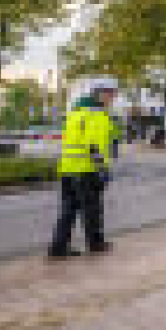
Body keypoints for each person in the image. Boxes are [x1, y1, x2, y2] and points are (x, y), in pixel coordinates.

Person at [50, 84, 118, 259]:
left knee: (68, 209)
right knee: (92, 208)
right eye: (110, 94)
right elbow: (93, 145)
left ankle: (58, 247)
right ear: (99, 95)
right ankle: (96, 244)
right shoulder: (97, 115)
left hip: (67, 169)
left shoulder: (74, 113)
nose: (112, 98)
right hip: (86, 169)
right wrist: (102, 169)